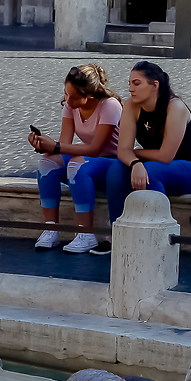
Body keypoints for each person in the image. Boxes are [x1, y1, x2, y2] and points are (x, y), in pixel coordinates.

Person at [29, 63, 125, 254]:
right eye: (66, 94)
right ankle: (50, 228)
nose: (67, 100)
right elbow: (65, 143)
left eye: (73, 96)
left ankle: (86, 233)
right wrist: (44, 147)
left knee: (76, 165)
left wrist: (56, 146)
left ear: (89, 95)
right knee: (48, 163)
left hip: (113, 164)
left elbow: (96, 148)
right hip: (89, 161)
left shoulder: (110, 105)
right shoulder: (71, 105)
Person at [122, 61, 191, 201]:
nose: (130, 89)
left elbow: (165, 156)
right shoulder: (130, 106)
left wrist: (136, 153)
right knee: (116, 170)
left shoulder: (175, 107)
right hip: (155, 164)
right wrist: (135, 162)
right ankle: (116, 221)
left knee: (150, 172)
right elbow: (123, 150)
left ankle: (159, 220)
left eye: (136, 83)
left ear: (155, 85)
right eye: (130, 84)